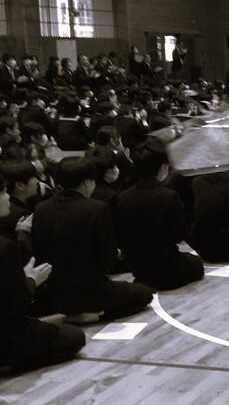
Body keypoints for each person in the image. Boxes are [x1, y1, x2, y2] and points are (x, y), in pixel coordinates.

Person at [31, 157, 153, 321]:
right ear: (87, 182)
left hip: (55, 293)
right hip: (90, 290)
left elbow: (40, 252)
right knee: (144, 293)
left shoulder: (41, 209)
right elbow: (106, 260)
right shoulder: (96, 208)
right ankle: (97, 316)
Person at [0, 170, 85, 373]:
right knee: (74, 337)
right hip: (5, 332)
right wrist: (31, 280)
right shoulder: (4, 247)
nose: (7, 197)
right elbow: (13, 305)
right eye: (2, 192)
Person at [115, 138, 204, 291]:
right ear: (163, 167)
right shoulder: (169, 196)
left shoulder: (122, 197)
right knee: (196, 263)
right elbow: (179, 235)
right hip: (167, 267)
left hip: (137, 268)